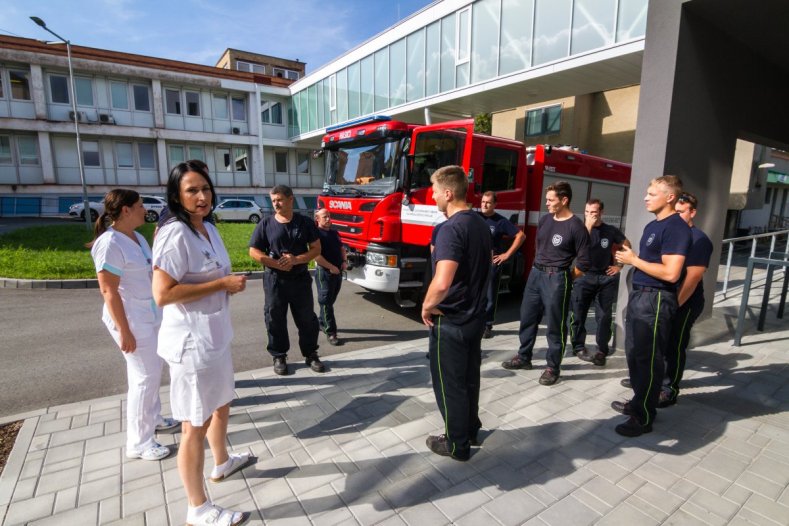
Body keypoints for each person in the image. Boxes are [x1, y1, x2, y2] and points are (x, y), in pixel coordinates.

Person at [152, 160, 251, 526]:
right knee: (194, 423)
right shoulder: (174, 233)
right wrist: (221, 286)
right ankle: (198, 508)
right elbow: (162, 294)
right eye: (192, 190)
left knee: (221, 402)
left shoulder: (207, 228)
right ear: (177, 196)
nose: (202, 196)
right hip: (192, 345)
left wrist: (221, 286)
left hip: (215, 337)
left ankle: (222, 462)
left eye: (205, 188)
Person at [88, 189, 178, 462]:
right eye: (140, 205)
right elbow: (108, 291)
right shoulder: (109, 243)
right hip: (130, 320)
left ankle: (154, 418)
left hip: (148, 314)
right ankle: (139, 442)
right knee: (144, 378)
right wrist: (124, 330)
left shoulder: (137, 238)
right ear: (125, 210)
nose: (145, 209)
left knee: (151, 371)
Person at [611, 175, 692, 437]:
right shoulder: (653, 226)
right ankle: (639, 402)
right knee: (635, 354)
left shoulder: (676, 228)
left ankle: (644, 416)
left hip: (656, 299)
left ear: (670, 197)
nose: (645, 197)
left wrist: (634, 260)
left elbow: (671, 273)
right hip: (641, 297)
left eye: (652, 193)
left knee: (648, 359)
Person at [422, 165, 492, 461]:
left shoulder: (451, 228)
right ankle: (472, 429)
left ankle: (456, 443)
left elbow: (442, 282)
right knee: (468, 378)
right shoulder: (479, 223)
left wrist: (426, 305)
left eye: (436, 191)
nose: (434, 196)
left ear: (448, 193)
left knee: (450, 385)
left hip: (451, 321)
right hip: (475, 318)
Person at [501, 181, 590, 386]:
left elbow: (584, 262)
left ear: (564, 200)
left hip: (557, 278)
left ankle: (553, 367)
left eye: (551, 200)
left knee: (555, 326)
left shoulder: (576, 226)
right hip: (536, 274)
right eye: (547, 199)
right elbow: (539, 247)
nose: (547, 203)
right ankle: (524, 357)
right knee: (527, 318)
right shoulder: (545, 220)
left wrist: (565, 278)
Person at [248, 185, 323, 376]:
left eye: (279, 200)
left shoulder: (304, 223)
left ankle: (311, 354)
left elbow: (316, 248)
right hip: (275, 280)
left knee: (306, 318)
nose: (276, 204)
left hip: (300, 279)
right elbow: (253, 251)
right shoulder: (265, 224)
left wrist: (296, 259)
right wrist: (273, 263)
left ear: (291, 199)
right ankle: (279, 355)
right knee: (274, 318)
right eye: (273, 201)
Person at [660, 191, 712, 407]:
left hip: (685, 302)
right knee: (658, 343)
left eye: (681, 212)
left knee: (674, 345)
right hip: (667, 299)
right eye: (675, 212)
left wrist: (675, 305)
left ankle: (668, 389)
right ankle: (651, 381)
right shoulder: (671, 235)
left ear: (693, 213)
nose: (677, 216)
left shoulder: (699, 240)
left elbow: (692, 279)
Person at [569, 199, 630, 366]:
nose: (590, 216)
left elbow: (626, 245)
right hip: (584, 277)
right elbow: (576, 249)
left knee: (604, 316)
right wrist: (587, 228)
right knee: (578, 314)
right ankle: (578, 346)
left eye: (594, 212)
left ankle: (602, 349)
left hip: (605, 279)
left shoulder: (610, 230)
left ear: (601, 213)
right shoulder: (579, 230)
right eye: (587, 212)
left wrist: (619, 265)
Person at [478, 191, 526, 339]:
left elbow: (521, 236)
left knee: (490, 295)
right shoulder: (475, 218)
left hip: (492, 263)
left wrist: (506, 255)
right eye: (483, 202)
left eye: (488, 202)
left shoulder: (500, 221)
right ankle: (475, 323)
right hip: (476, 262)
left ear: (494, 204)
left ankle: (487, 325)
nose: (484, 205)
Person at [313, 208, 347, 346]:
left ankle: (321, 322)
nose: (328, 219)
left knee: (329, 302)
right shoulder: (316, 234)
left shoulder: (334, 233)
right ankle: (331, 332)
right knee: (326, 302)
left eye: (329, 216)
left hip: (337, 272)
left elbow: (342, 249)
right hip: (324, 273)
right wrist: (330, 267)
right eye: (324, 216)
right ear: (317, 219)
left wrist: (344, 261)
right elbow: (316, 255)